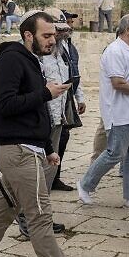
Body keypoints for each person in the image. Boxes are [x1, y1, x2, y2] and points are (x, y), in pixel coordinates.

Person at [0, 10, 99, 257]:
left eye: (54, 35)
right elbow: (4, 105)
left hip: (26, 149)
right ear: (28, 35)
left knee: (1, 214)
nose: (53, 40)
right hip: (18, 152)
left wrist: (48, 148)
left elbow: (32, 113)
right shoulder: (12, 61)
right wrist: (46, 94)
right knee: (39, 218)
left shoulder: (30, 61)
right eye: (46, 35)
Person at [77, 14, 129, 230]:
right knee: (115, 153)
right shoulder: (114, 51)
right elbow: (118, 82)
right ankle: (85, 185)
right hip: (119, 113)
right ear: (127, 30)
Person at [39, 11, 81, 198]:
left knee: (54, 154)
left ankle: (45, 196)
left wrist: (79, 97)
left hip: (59, 111)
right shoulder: (38, 55)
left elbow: (72, 74)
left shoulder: (62, 49)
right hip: (45, 113)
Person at [53, 10, 86, 191]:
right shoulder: (52, 46)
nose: (70, 27)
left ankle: (55, 176)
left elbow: (74, 73)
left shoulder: (69, 46)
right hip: (54, 99)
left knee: (63, 137)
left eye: (71, 23)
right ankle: (49, 177)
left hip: (67, 98)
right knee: (55, 139)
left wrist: (79, 97)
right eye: (67, 23)